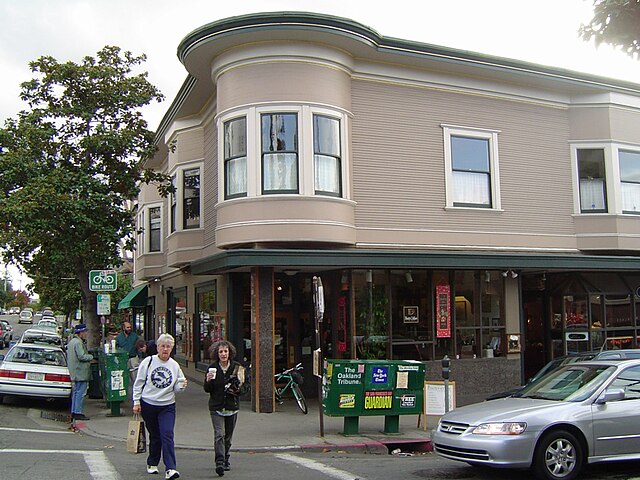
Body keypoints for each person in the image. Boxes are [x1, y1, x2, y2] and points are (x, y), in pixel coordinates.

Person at [132, 334, 187, 480]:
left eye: (168, 346)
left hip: (167, 405)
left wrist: (181, 387)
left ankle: (171, 468)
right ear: (157, 347)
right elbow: (139, 383)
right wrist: (136, 402)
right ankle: (152, 462)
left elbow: (177, 386)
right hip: (148, 403)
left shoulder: (174, 366)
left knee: (167, 434)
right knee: (155, 435)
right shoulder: (148, 362)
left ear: (172, 349)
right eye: (163, 346)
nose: (165, 349)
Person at [204, 340, 247, 477]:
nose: (223, 354)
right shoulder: (212, 367)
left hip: (231, 406)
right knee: (219, 434)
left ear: (230, 353)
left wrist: (238, 388)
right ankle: (220, 462)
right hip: (216, 407)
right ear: (217, 353)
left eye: (225, 351)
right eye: (221, 351)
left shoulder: (237, 368)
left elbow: (245, 388)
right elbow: (207, 389)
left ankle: (226, 457)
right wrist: (208, 381)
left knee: (227, 437)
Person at [66, 323, 94, 421]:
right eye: (85, 332)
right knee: (81, 393)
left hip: (75, 371)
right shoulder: (78, 343)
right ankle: (78, 412)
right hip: (80, 372)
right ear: (80, 333)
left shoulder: (72, 342)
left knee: (76, 392)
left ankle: (74, 411)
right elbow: (81, 356)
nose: (86, 334)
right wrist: (91, 357)